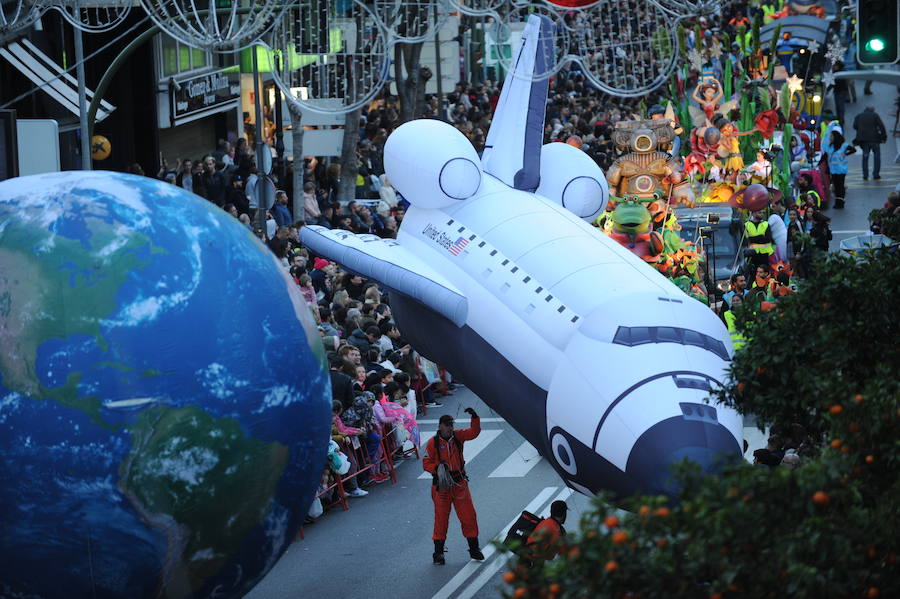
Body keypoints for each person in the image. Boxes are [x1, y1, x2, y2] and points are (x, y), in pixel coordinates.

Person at [423, 409, 484, 565]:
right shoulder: (432, 443)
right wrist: (437, 469)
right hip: (442, 487)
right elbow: (426, 463)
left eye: (451, 425)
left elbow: (474, 432)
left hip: (459, 484)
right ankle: (438, 553)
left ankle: (474, 550)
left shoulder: (458, 436)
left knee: (468, 516)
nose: (450, 428)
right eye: (447, 425)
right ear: (440, 426)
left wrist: (475, 417)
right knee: (441, 520)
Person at [525, 500, 568, 567]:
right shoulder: (556, 531)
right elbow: (563, 553)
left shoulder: (546, 522)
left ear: (551, 512)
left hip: (527, 551)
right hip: (536, 558)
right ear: (564, 514)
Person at [821, 129, 855, 209]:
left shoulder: (844, 145)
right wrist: (818, 164)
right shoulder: (830, 146)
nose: (830, 137)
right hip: (833, 170)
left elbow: (853, 150)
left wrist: (845, 154)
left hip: (841, 170)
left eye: (831, 136)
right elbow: (825, 156)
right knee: (836, 186)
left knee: (840, 186)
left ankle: (840, 202)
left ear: (835, 137)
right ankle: (838, 201)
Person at [852, 106, 887, 180]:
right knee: (877, 157)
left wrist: (861, 129)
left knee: (865, 157)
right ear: (872, 110)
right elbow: (881, 126)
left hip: (864, 141)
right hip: (875, 140)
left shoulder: (859, 116)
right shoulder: (875, 115)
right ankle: (876, 174)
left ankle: (865, 175)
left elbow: (855, 126)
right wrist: (884, 137)